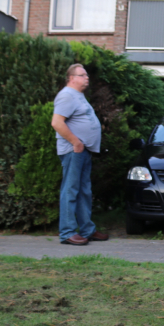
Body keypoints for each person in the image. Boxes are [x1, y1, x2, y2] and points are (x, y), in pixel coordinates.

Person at [51, 64, 109, 246]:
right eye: (82, 75)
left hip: (83, 151)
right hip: (73, 151)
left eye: (86, 75)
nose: (87, 78)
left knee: (84, 191)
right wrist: (75, 142)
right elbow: (57, 123)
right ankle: (67, 232)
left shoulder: (78, 96)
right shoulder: (67, 95)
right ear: (71, 78)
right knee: (70, 190)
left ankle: (87, 230)